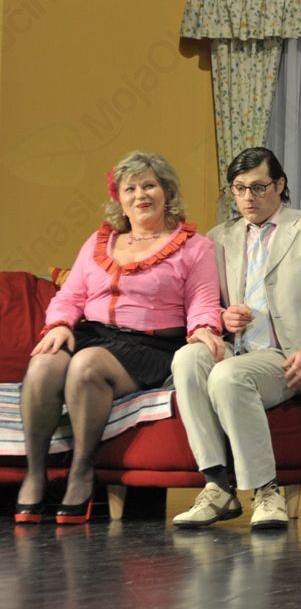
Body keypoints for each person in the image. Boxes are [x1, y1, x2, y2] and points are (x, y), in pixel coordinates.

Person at [15, 152, 223, 525]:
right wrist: (60, 324)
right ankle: (35, 474)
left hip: (149, 345)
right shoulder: (100, 242)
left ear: (167, 192)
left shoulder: (194, 247)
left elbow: (203, 301)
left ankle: (82, 471)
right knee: (43, 365)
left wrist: (204, 328)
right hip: (93, 333)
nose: (140, 195)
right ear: (120, 200)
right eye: (131, 188)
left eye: (149, 185)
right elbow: (70, 296)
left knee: (86, 365)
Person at [171, 147, 301, 530]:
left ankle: (266, 491)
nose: (247, 198)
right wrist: (222, 317)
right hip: (237, 348)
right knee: (187, 359)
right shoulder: (218, 238)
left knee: (229, 376)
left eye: (258, 187)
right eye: (239, 189)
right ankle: (217, 487)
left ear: (280, 184)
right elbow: (205, 303)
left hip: (289, 356)